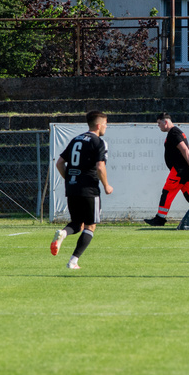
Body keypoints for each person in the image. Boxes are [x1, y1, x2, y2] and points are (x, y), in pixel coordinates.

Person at [50, 110, 113, 269]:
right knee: (90, 226)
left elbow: (59, 163)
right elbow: (100, 167)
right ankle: (73, 261)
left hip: (72, 188)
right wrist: (106, 185)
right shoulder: (99, 142)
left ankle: (63, 233)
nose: (106, 127)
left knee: (77, 223)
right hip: (89, 190)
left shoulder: (75, 139)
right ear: (99, 125)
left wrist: (70, 180)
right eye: (105, 124)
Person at [145, 113, 189, 226]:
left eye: (159, 123)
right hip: (185, 170)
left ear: (165, 122)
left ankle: (160, 219)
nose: (159, 126)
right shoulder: (179, 131)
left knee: (167, 191)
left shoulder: (173, 133)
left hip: (179, 169)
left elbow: (184, 150)